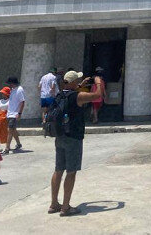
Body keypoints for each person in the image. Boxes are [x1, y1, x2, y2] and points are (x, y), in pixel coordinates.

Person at [49, 69, 102, 217]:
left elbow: (70, 94)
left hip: (59, 136)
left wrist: (79, 85)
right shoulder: (78, 96)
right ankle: (66, 207)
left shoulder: (60, 95)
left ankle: (54, 204)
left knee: (58, 170)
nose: (79, 82)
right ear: (73, 82)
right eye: (77, 80)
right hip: (73, 138)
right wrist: (98, 82)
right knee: (71, 172)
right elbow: (97, 96)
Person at [3, 76, 25, 154]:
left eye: (10, 83)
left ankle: (7, 148)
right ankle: (18, 144)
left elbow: (22, 102)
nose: (9, 85)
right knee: (13, 130)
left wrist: (19, 113)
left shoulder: (20, 90)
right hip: (10, 113)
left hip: (14, 114)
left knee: (10, 130)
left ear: (13, 83)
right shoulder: (12, 90)